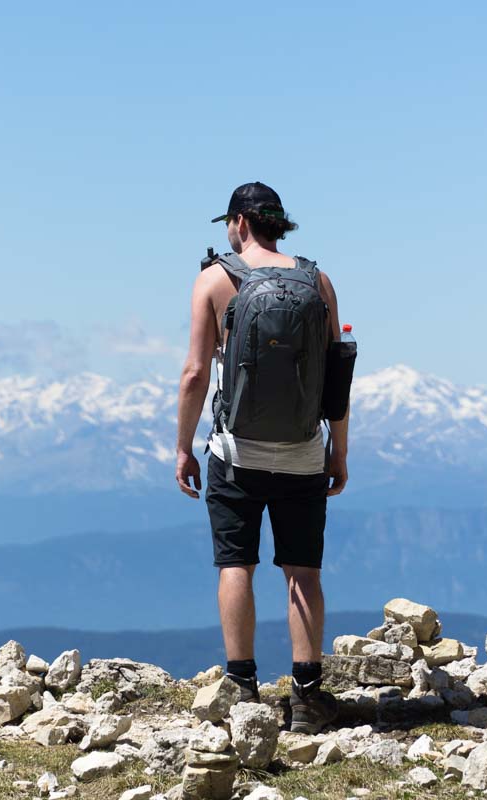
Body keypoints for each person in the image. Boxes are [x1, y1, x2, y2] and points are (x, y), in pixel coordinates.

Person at [175, 181, 349, 734]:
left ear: (241, 222)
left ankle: (243, 687)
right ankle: (305, 697)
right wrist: (336, 452)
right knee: (303, 572)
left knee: (236, 565)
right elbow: (334, 380)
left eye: (228, 224)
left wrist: (183, 446)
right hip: (302, 452)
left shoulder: (213, 280)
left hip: (234, 452)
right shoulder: (318, 281)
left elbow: (196, 374)